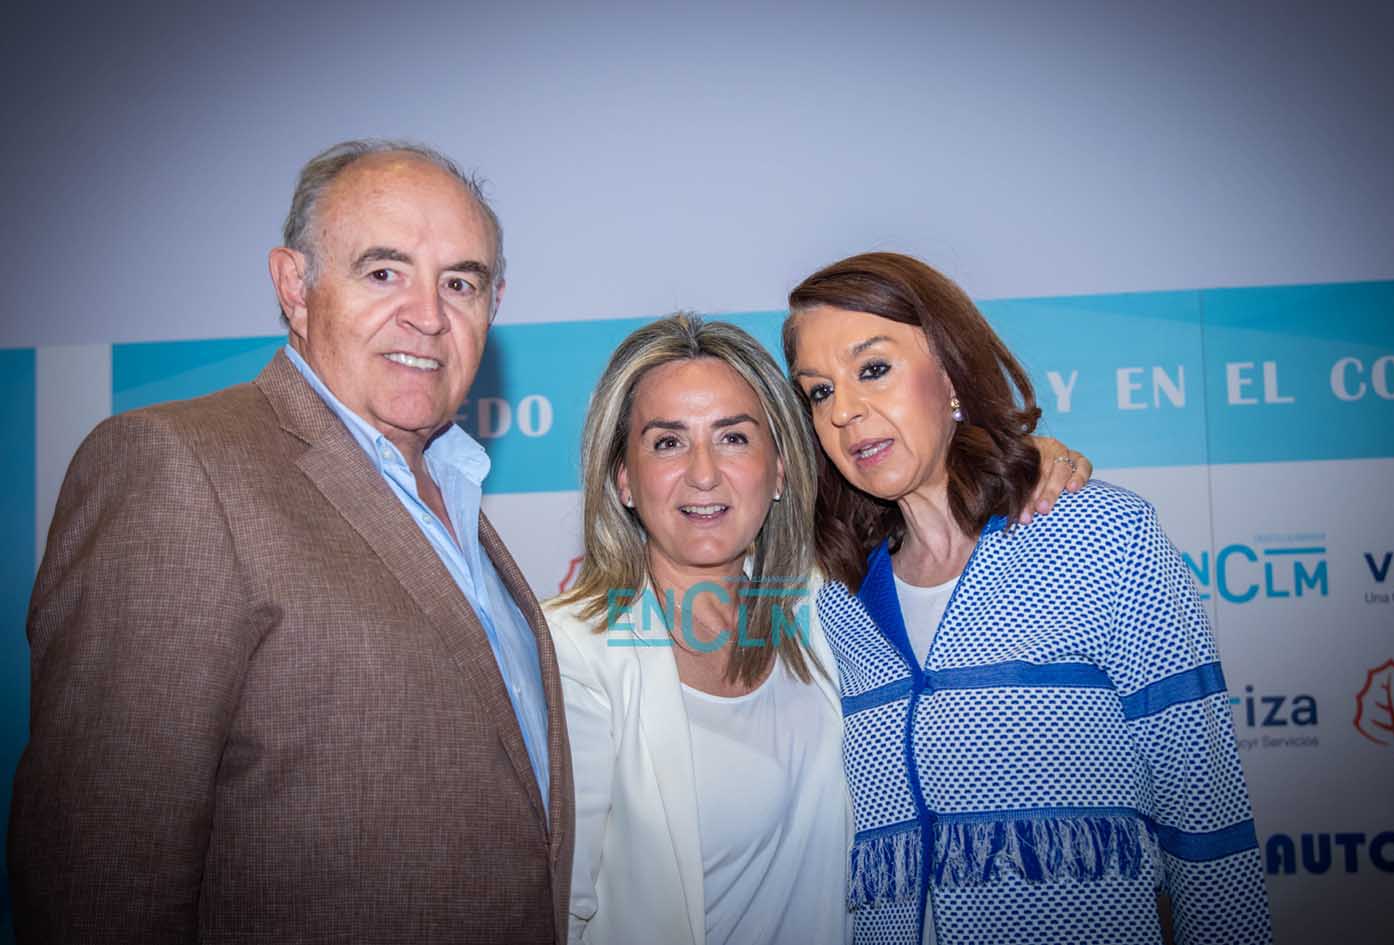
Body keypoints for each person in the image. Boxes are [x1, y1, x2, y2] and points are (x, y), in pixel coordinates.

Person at [9, 140, 573, 944]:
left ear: (494, 303)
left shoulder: (455, 486)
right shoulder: (178, 466)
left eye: (460, 282)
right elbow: (97, 875)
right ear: (294, 286)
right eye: (384, 272)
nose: (427, 314)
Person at [544, 314, 1090, 945]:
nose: (703, 473)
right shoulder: (575, 649)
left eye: (733, 438)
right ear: (623, 478)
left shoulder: (827, 603)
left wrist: (1032, 462)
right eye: (667, 442)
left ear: (780, 468)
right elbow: (556, 907)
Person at [783, 252, 1272, 945]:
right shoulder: (835, 597)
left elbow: (1205, 808)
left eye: (873, 368)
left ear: (951, 373)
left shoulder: (1102, 535)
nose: (845, 412)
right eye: (818, 392)